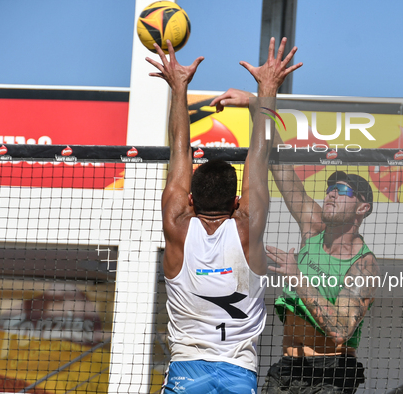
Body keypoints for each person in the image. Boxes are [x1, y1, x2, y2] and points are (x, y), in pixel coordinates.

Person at [148, 37, 302, 393]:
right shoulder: (248, 226)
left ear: (188, 199)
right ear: (236, 202)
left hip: (187, 370)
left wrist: (178, 87)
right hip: (237, 372)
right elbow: (260, 154)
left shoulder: (176, 228)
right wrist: (267, 88)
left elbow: (180, 150)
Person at [212, 90, 379, 393]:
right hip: (287, 369)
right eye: (331, 188)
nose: (331, 193)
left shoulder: (363, 264)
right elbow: (280, 165)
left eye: (343, 191)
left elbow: (340, 330)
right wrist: (256, 104)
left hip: (329, 376)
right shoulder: (313, 228)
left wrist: (297, 278)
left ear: (362, 208)